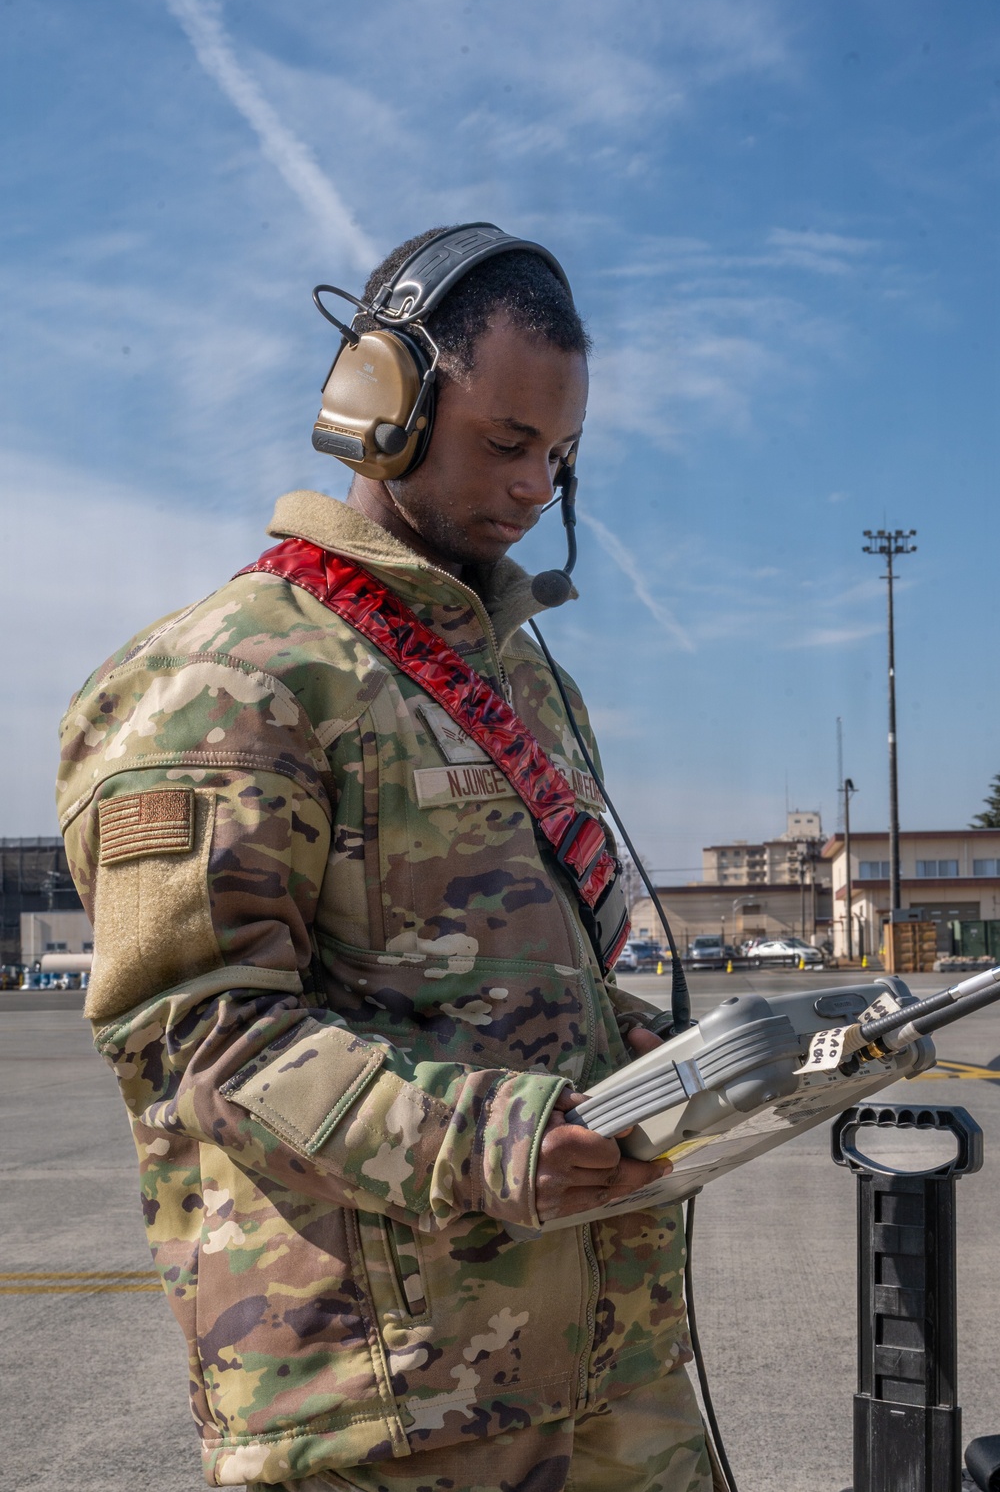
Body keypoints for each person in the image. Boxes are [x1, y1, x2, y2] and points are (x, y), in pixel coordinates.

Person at [58, 226, 713, 1492]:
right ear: (379, 408)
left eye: (560, 456)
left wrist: (650, 1065)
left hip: (609, 1363)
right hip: (388, 1401)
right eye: (505, 443)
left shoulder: (523, 677)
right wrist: (498, 1136)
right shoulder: (228, 676)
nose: (535, 489)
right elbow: (190, 1033)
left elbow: (516, 982)